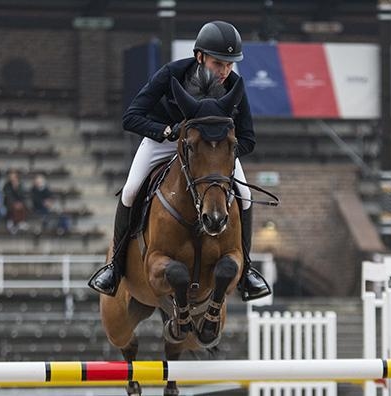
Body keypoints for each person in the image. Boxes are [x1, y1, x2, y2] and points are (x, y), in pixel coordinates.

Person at [88, 20, 270, 301]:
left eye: (229, 64)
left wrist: (222, 154)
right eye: (218, 63)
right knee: (131, 190)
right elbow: (132, 117)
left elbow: (248, 138)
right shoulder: (172, 74)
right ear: (200, 56)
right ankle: (114, 266)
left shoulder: (234, 86)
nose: (224, 71)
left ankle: (246, 271)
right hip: (166, 142)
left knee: (244, 195)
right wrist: (164, 131)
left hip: (211, 154)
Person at [3, 169, 28, 234]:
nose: (12, 178)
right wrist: (15, 203)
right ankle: (12, 223)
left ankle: (20, 223)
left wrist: (16, 188)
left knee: (23, 206)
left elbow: (22, 196)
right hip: (10, 202)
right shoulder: (6, 185)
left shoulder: (21, 185)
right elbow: (8, 196)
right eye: (11, 177)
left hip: (19, 202)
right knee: (13, 207)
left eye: (14, 177)